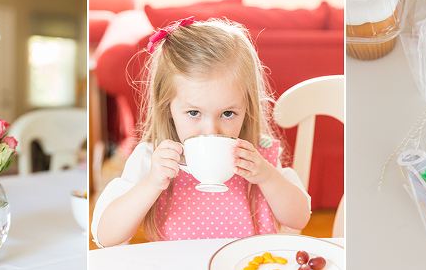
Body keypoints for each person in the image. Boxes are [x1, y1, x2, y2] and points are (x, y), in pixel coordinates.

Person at [91, 16, 310, 248]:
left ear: (247, 107)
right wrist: (151, 183)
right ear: (168, 109)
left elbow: (299, 218)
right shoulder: (151, 158)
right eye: (194, 113)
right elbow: (106, 237)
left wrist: (267, 177)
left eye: (227, 114)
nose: (211, 130)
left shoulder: (257, 155)